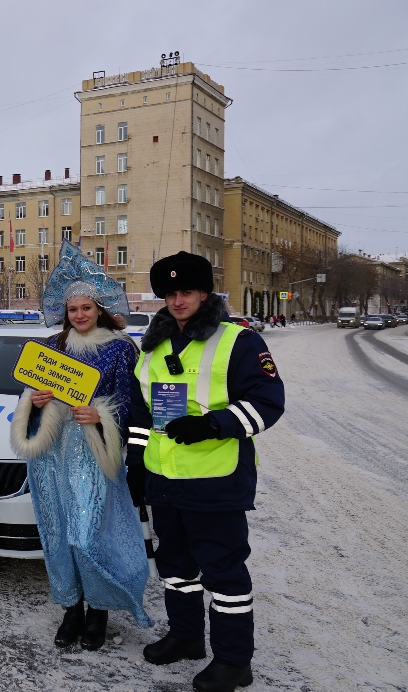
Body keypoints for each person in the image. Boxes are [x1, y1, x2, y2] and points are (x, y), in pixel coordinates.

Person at [126, 251, 285, 692]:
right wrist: (137, 462)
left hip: (216, 480)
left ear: (204, 293)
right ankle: (186, 637)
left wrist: (213, 424)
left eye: (187, 292)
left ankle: (235, 661)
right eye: (170, 293)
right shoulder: (154, 345)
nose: (178, 301)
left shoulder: (238, 340)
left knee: (224, 573)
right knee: (175, 567)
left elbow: (268, 403)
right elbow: (141, 410)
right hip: (164, 479)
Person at [9, 241, 151, 650]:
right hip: (52, 455)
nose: (79, 315)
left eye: (86, 308)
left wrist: (101, 417)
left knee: (87, 535)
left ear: (99, 309)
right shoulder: (52, 348)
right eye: (73, 310)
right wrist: (33, 403)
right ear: (65, 313)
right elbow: (28, 395)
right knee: (57, 534)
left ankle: (99, 614)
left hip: (91, 454)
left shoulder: (121, 350)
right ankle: (72, 610)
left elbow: (129, 405)